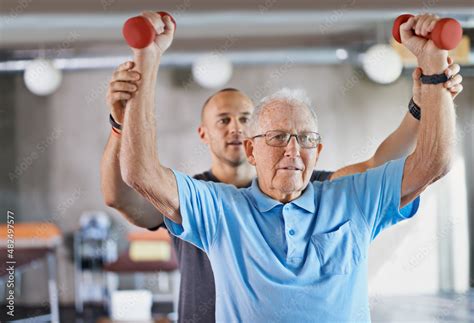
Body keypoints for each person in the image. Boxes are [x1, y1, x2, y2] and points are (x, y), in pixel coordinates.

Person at [102, 12, 459, 322]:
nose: (292, 149)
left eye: (304, 139)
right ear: (251, 149)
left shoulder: (349, 196)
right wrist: (146, 61)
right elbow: (139, 175)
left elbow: (431, 162)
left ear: (318, 150)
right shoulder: (219, 206)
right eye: (276, 137)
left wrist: (433, 75)